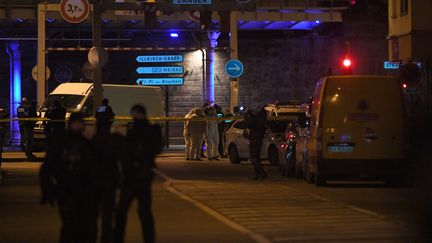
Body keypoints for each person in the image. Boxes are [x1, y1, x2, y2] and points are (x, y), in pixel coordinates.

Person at [40, 112, 96, 243]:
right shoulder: (62, 143)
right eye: (75, 123)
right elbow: (47, 168)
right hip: (66, 191)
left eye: (79, 123)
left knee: (85, 227)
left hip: (85, 192)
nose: (77, 126)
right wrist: (48, 191)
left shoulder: (87, 143)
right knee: (70, 225)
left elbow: (97, 166)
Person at [114, 104, 163, 243]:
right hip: (139, 177)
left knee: (126, 211)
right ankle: (147, 239)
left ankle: (119, 238)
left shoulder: (137, 131)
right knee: (142, 212)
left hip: (135, 178)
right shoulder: (144, 129)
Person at [92, 106, 122, 243]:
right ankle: (107, 237)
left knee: (92, 215)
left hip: (94, 183)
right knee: (108, 215)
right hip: (109, 182)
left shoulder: (91, 141)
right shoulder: (114, 140)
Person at [245, 107, 268, 180]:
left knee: (254, 158)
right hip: (258, 139)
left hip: (255, 139)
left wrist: (247, 115)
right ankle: (258, 174)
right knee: (256, 157)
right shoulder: (263, 120)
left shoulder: (257, 120)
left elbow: (249, 124)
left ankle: (261, 173)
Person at [0, 107, 8, 182]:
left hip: (2, 128)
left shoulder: (3, 111)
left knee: (1, 141)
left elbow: (6, 115)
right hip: (1, 128)